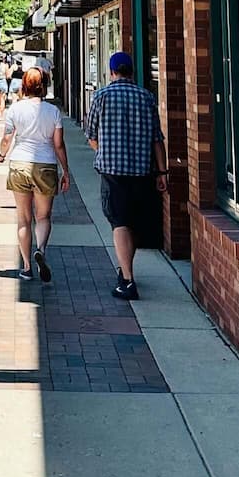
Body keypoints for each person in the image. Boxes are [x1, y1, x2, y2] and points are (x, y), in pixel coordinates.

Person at [85, 50, 166, 300]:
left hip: (112, 172)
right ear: (132, 71)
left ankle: (128, 280)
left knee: (119, 222)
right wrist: (162, 172)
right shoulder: (146, 97)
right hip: (142, 171)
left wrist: (106, 151)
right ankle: (126, 271)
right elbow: (157, 140)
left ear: (111, 72)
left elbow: (91, 137)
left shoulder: (101, 96)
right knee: (131, 222)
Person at [0, 66, 70, 282]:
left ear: (24, 85)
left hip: (19, 163)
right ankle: (41, 250)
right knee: (43, 217)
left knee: (23, 219)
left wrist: (2, 155)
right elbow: (58, 144)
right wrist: (65, 170)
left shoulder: (15, 110)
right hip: (45, 165)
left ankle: (27, 267)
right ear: (44, 85)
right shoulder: (53, 112)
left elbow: (7, 139)